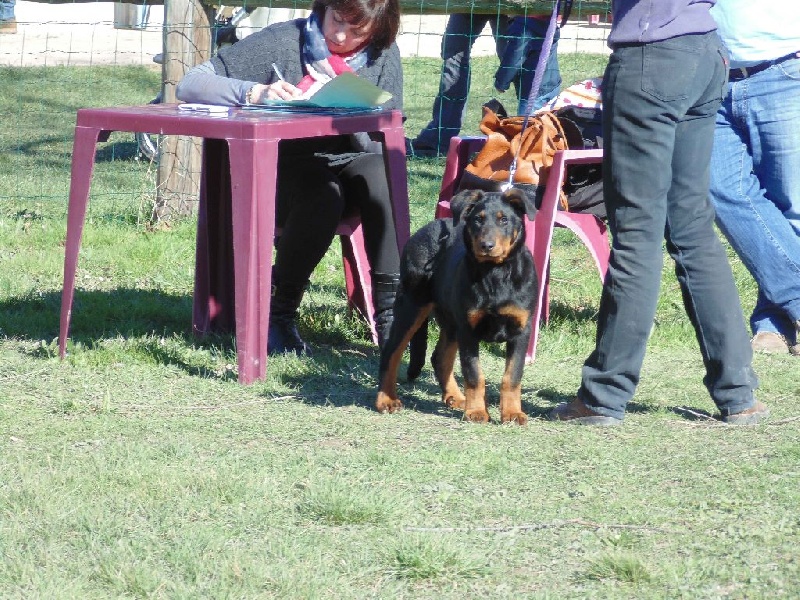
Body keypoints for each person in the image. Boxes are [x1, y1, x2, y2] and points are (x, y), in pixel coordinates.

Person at [548, 0, 769, 426]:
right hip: (704, 50)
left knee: (636, 234)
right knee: (693, 229)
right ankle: (739, 395)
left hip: (652, 53)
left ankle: (603, 397)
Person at [176, 0, 403, 356]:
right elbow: (191, 83)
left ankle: (392, 318)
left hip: (353, 161)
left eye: (357, 29)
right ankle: (279, 314)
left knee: (380, 174)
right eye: (336, 20)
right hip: (284, 169)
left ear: (378, 27)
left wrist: (360, 115)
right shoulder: (284, 41)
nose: (341, 36)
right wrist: (255, 93)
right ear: (323, 7)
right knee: (323, 192)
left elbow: (387, 132)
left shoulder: (383, 54)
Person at [708, 1, 800, 357]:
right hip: (709, 77)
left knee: (792, 204)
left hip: (784, 69)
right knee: (719, 189)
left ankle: (774, 324)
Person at [407, 12, 560, 158]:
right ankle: (438, 139)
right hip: (467, 4)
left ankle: (526, 138)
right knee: (453, 58)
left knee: (516, 64)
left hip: (509, 6)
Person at [493, 15, 562, 116]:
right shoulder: (547, 19)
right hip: (552, 84)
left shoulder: (522, 25)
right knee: (548, 126)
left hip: (532, 92)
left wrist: (501, 82)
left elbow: (514, 57)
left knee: (527, 129)